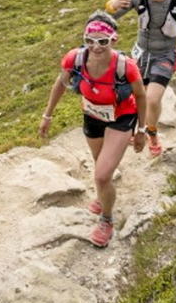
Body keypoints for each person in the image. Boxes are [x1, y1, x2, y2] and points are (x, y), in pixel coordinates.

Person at [39, 13, 147, 248]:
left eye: (102, 41)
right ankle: (104, 194)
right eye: (89, 40)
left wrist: (142, 130)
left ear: (113, 40)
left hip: (122, 116)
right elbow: (60, 84)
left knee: (101, 174)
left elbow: (140, 95)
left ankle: (106, 220)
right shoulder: (74, 59)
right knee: (100, 165)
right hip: (92, 115)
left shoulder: (125, 66)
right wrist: (47, 115)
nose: (95, 47)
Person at [106, 0, 176, 157]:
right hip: (141, 54)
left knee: (152, 99)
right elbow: (112, 17)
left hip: (165, 55)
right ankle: (138, 130)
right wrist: (112, 4)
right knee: (136, 96)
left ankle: (152, 134)